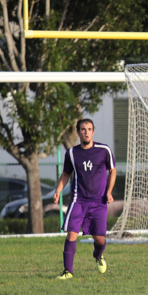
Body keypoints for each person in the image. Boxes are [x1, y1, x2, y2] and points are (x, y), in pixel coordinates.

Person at [53, 118, 116, 279]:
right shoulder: (72, 153)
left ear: (93, 132)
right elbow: (66, 173)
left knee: (100, 239)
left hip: (99, 202)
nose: (86, 132)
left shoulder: (104, 150)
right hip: (78, 200)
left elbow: (113, 170)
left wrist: (109, 192)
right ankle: (68, 271)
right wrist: (58, 190)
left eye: (89, 129)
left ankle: (98, 255)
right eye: (83, 129)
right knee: (71, 234)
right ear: (78, 132)